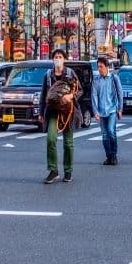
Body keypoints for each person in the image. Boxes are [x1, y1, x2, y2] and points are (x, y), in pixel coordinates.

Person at [40, 49, 80, 184]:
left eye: (60, 57)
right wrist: (41, 113)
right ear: (53, 59)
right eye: (55, 57)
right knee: (51, 139)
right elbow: (43, 94)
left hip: (68, 111)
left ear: (64, 59)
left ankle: (68, 171)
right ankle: (53, 170)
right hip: (52, 111)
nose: (58, 59)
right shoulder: (48, 75)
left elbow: (79, 90)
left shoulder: (70, 73)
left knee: (68, 143)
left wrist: (70, 96)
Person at [91, 56, 124, 166]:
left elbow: (120, 94)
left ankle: (114, 155)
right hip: (101, 111)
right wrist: (95, 111)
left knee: (111, 131)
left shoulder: (114, 78)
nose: (99, 69)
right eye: (98, 67)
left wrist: (120, 109)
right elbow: (94, 96)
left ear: (107, 67)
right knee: (104, 135)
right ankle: (108, 156)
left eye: (101, 66)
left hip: (112, 110)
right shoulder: (96, 80)